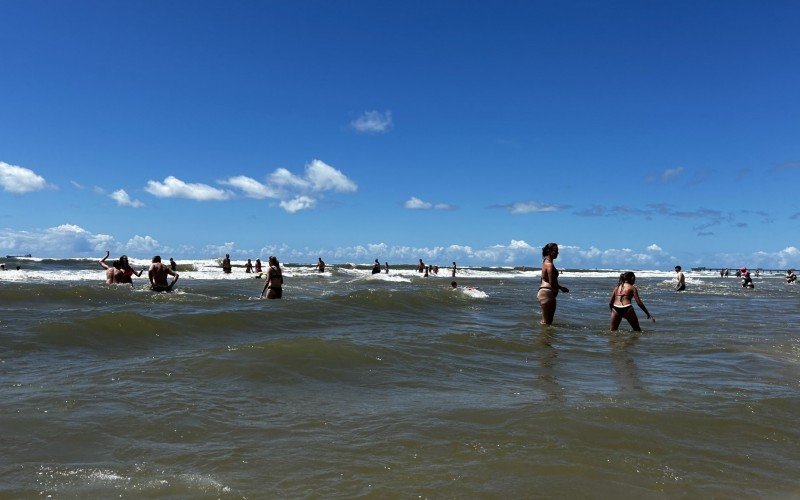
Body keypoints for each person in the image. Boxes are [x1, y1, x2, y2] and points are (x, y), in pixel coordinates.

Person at [537, 243, 569, 325]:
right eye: (556, 251)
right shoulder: (549, 265)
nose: (557, 253)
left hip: (544, 292)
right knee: (547, 323)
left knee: (545, 321)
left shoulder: (545, 262)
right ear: (549, 251)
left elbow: (543, 279)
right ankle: (545, 338)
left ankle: (544, 337)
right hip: (547, 294)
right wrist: (560, 288)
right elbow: (552, 282)